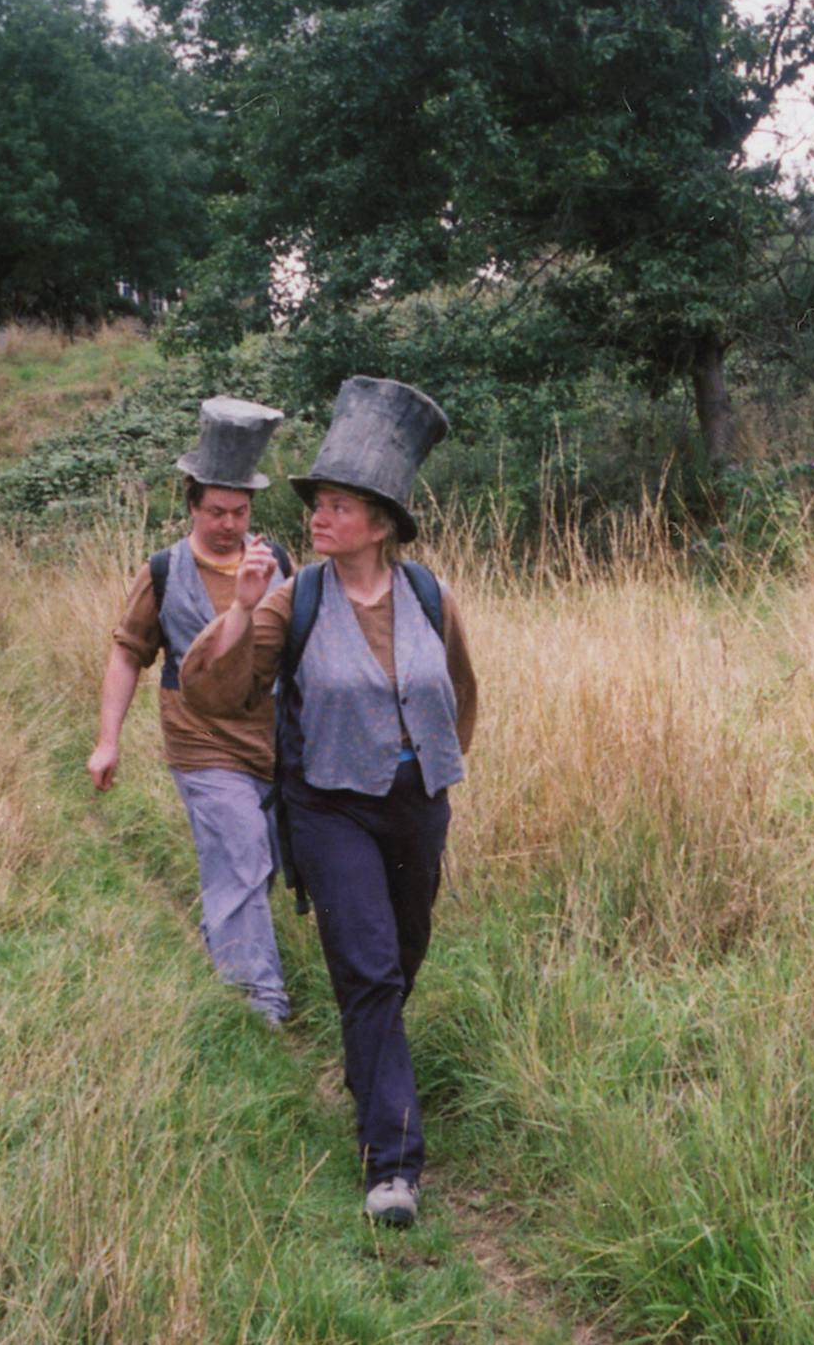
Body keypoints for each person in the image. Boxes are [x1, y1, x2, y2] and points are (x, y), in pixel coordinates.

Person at [180, 376, 476, 1229]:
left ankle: (367, 1060)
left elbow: (459, 694)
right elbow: (213, 689)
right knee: (371, 967)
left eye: (339, 505)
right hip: (329, 809)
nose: (319, 516)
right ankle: (393, 1164)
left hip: (417, 805)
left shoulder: (430, 597)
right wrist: (237, 611)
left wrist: (431, 769)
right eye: (318, 503)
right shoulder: (293, 599)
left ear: (380, 523)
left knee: (400, 959)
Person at [89, 396, 296, 1026]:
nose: (229, 524)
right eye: (215, 511)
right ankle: (259, 1000)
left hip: (270, 738)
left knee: (256, 858)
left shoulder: (279, 564)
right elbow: (128, 656)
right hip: (199, 740)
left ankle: (225, 946)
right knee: (239, 850)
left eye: (240, 512)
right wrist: (108, 741)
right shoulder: (163, 573)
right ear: (191, 506)